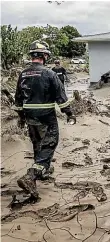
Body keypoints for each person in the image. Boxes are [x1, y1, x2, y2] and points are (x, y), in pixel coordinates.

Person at [13, 40, 76, 199]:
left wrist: (21, 118)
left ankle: (42, 172)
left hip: (29, 116)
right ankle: (32, 175)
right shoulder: (50, 74)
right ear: (45, 56)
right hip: (46, 115)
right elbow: (61, 97)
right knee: (50, 142)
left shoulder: (23, 74)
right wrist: (69, 114)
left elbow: (18, 99)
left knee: (37, 144)